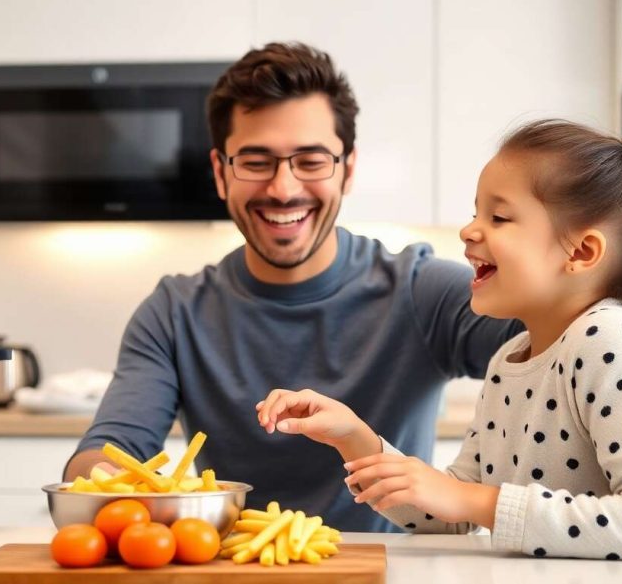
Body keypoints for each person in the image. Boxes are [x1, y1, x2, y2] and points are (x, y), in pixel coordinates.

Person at [63, 42, 521, 532]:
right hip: (232, 566)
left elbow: (565, 341)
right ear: (221, 173)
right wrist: (104, 483)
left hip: (390, 569)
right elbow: (108, 452)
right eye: (256, 162)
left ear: (347, 169)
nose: (283, 189)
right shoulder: (174, 313)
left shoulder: (422, 291)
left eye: (311, 160)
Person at [257, 118, 622, 559]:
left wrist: (474, 500)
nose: (469, 230)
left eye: (499, 218)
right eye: (476, 212)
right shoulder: (511, 361)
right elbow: (448, 512)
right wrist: (356, 438)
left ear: (582, 252)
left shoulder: (610, 341)